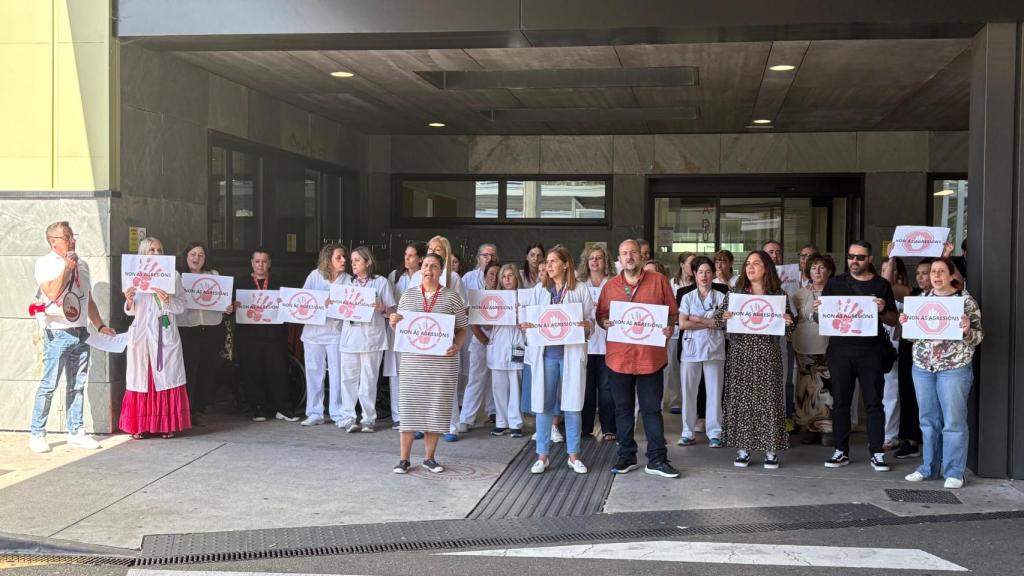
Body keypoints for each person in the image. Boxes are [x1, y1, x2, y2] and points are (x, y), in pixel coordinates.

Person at [597, 239, 680, 479]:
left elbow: (672, 314)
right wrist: (604, 322)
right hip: (619, 358)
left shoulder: (659, 282)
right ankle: (626, 455)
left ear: (641, 256)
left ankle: (656, 459)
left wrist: (668, 328)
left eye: (633, 252)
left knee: (651, 410)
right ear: (619, 259)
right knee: (622, 410)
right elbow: (601, 315)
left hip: (650, 358)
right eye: (624, 253)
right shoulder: (610, 286)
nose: (629, 256)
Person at [29, 221, 114, 453]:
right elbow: (53, 292)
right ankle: (37, 432)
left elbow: (88, 300)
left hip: (80, 331)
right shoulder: (44, 264)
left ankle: (76, 431)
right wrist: (67, 267)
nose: (71, 240)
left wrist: (100, 324)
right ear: (53, 241)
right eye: (66, 237)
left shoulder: (83, 265)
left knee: (77, 385)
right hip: (57, 332)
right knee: (49, 384)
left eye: (72, 236)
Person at [899, 257, 983, 489]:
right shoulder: (920, 301)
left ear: (951, 275)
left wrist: (967, 330)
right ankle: (928, 467)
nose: (935, 276)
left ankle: (955, 471)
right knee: (927, 420)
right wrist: (906, 323)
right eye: (932, 272)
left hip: (954, 369)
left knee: (954, 421)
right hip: (923, 368)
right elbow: (913, 337)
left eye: (940, 271)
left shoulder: (965, 301)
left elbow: (978, 337)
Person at [816, 240, 898, 472]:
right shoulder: (834, 283)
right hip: (840, 350)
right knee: (841, 402)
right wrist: (817, 312)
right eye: (851, 256)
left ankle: (877, 452)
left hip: (871, 351)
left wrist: (882, 310)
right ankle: (840, 450)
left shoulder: (881, 285)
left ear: (869, 259)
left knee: (874, 403)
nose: (854, 261)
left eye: (860, 257)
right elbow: (822, 319)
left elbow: (893, 319)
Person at [390, 253, 469, 474]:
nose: (428, 270)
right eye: (425, 265)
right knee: (409, 409)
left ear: (441, 271)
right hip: (413, 363)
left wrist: (458, 345)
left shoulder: (451, 297)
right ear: (420, 268)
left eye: (434, 266)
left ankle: (429, 458)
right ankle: (404, 459)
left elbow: (463, 328)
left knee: (435, 409)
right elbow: (401, 328)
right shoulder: (408, 295)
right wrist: (394, 322)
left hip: (441, 364)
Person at [714, 250, 794, 468]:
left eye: (756, 263)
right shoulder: (737, 293)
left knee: (769, 401)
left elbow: (789, 330)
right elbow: (718, 319)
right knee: (743, 401)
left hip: (768, 355)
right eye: (748, 263)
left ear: (766, 268)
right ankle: (743, 450)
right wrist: (725, 316)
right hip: (741, 354)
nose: (750, 267)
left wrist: (788, 321)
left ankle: (771, 451)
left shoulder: (778, 295)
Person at [521, 245, 593, 474]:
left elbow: (591, 320)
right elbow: (529, 321)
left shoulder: (580, 290)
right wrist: (526, 326)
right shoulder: (539, 291)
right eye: (547, 262)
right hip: (547, 356)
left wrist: (587, 326)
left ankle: (574, 456)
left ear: (566, 265)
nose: (548, 265)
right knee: (543, 405)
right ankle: (542, 456)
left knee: (572, 405)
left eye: (552, 261)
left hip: (570, 354)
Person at [120, 237, 191, 439]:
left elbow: (181, 306)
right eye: (151, 250)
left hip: (164, 332)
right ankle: (140, 425)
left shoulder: (173, 275)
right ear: (143, 252)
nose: (156, 253)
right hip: (142, 335)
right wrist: (129, 299)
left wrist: (167, 300)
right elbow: (130, 312)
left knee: (165, 378)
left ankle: (166, 424)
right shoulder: (133, 275)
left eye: (159, 250)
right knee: (142, 378)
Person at [410, 235, 467, 441]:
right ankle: (422, 423)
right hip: (421, 336)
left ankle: (451, 425)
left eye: (438, 250)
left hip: (445, 337)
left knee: (445, 383)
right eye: (430, 249)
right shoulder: (417, 276)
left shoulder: (455, 279)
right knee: (422, 382)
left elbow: (463, 310)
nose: (433, 252)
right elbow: (409, 305)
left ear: (446, 254)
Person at [233, 248, 299, 423]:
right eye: (257, 261)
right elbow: (230, 309)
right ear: (251, 263)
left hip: (274, 335)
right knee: (252, 372)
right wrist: (234, 306)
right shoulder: (241, 282)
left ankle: (283, 408)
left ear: (269, 263)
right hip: (249, 336)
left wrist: (283, 304)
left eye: (264, 261)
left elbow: (290, 307)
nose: (260, 264)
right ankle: (257, 408)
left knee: (278, 371)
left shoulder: (280, 282)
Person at [338, 246, 397, 433]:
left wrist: (381, 308)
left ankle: (368, 419)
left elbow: (393, 313)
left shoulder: (381, 283)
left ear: (368, 262)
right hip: (350, 337)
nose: (352, 263)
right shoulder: (346, 284)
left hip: (372, 339)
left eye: (357, 260)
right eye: (352, 260)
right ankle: (348, 417)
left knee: (369, 380)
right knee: (348, 379)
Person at [176, 242, 231, 420]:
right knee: (189, 368)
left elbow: (223, 300)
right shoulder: (178, 277)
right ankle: (187, 408)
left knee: (207, 368)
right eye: (193, 254)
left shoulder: (214, 276)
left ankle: (199, 408)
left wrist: (227, 307)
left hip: (212, 327)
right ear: (186, 256)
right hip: (187, 328)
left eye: (200, 255)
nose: (196, 258)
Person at [676, 256, 727, 448]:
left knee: (714, 391)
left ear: (713, 274)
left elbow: (723, 323)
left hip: (714, 349)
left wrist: (698, 320)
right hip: (690, 349)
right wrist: (709, 323)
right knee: (688, 391)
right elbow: (682, 323)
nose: (704, 276)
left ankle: (715, 433)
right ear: (695, 275)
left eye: (707, 272)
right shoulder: (687, 297)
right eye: (700, 272)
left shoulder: (721, 298)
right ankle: (687, 432)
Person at [298, 243, 350, 427]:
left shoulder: (348, 280)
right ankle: (314, 412)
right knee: (314, 372)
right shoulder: (315, 275)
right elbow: (304, 300)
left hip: (336, 334)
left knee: (337, 374)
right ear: (328, 259)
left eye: (344, 257)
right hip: (313, 333)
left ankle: (338, 413)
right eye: (339, 257)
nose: (344, 260)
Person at [791, 253, 836, 446]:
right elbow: (794, 320)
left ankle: (827, 429)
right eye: (813, 268)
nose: (817, 271)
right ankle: (809, 428)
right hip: (804, 346)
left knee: (826, 388)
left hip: (829, 345)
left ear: (830, 270)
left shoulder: (837, 293)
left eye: (822, 267)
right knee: (806, 388)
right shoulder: (798, 295)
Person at [894, 257, 935, 459]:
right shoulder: (912, 294)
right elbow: (888, 285)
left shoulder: (946, 297)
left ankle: (931, 444)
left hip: (934, 355)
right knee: (908, 393)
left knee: (931, 400)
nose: (921, 277)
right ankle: (910, 440)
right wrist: (893, 258)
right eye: (918, 273)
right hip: (910, 349)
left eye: (925, 273)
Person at [385, 240, 427, 429]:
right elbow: (388, 302)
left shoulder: (424, 276)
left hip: (416, 329)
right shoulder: (395, 276)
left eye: (411, 255)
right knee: (396, 372)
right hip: (397, 328)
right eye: (405, 255)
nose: (406, 259)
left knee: (415, 372)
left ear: (420, 259)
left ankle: (416, 416)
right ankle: (398, 416)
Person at [480, 263, 524, 437]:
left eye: (510, 276)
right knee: (498, 386)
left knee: (515, 385)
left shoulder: (523, 297)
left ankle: (515, 423)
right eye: (504, 276)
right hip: (498, 344)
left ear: (516, 278)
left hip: (517, 342)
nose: (507, 279)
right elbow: (486, 323)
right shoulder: (493, 298)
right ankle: (501, 422)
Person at [578, 243, 616, 441]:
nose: (595, 261)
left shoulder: (613, 282)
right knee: (586, 388)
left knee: (607, 388)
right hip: (584, 343)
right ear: (586, 261)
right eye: (591, 258)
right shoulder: (579, 282)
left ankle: (609, 428)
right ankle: (585, 428)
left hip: (608, 343)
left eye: (599, 258)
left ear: (606, 261)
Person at [459, 243, 499, 431]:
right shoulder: (469, 280)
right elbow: (467, 311)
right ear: (478, 258)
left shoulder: (505, 285)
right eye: (485, 255)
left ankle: (495, 413)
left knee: (497, 379)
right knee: (476, 378)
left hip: (500, 338)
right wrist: (482, 337)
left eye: (492, 255)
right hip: (477, 336)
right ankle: (466, 418)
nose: (489, 259)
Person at [880, 256, 911, 449]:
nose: (886, 273)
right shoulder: (876, 292)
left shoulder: (904, 294)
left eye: (889, 269)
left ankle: (890, 434)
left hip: (896, 346)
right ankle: (882, 430)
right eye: (883, 269)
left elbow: (890, 285)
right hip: (877, 347)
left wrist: (892, 260)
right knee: (880, 392)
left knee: (891, 391)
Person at [665, 252, 695, 416]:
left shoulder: (697, 283)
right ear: (682, 265)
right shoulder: (672, 283)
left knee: (690, 367)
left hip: (691, 329)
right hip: (675, 331)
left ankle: (691, 400)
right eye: (691, 263)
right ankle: (676, 400)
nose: (693, 266)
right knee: (673, 368)